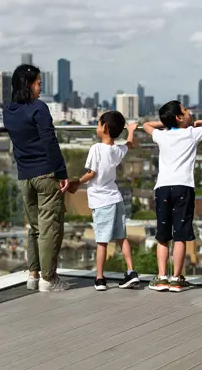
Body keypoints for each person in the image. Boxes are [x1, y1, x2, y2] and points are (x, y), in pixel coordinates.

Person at [143, 101, 202, 292]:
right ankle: (176, 279)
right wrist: (199, 122)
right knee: (180, 235)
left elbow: (147, 125)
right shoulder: (191, 133)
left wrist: (165, 123)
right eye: (186, 111)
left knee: (163, 236)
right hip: (184, 188)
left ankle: (162, 277)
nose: (190, 113)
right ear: (180, 117)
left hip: (163, 188)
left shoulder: (162, 136)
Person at [3, 65, 70, 292]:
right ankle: (49, 279)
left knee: (33, 227)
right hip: (45, 174)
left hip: (24, 176)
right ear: (28, 84)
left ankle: (33, 275)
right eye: (38, 82)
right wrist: (61, 172)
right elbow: (49, 141)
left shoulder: (8, 109)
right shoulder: (39, 108)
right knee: (49, 227)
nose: (41, 87)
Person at [69, 111, 140, 291]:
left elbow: (92, 173)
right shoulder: (117, 150)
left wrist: (77, 182)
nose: (97, 127)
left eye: (99, 124)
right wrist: (131, 130)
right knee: (121, 238)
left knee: (102, 241)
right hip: (116, 199)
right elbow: (129, 144)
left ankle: (100, 278)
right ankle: (131, 272)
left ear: (105, 128)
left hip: (101, 201)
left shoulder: (96, 149)